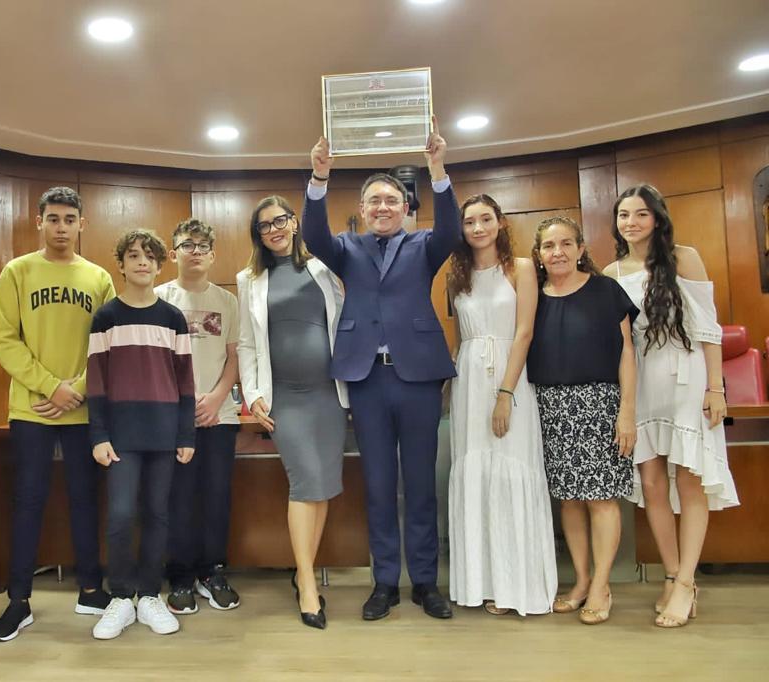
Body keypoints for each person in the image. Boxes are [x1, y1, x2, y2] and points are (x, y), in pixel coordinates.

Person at [303, 121, 459, 621]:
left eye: (392, 200)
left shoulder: (425, 244)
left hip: (418, 378)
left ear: (406, 207)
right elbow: (312, 235)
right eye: (375, 201)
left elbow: (452, 230)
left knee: (421, 483)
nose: (384, 207)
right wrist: (319, 178)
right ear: (363, 209)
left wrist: (437, 169)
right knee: (377, 483)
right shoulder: (347, 247)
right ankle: (385, 582)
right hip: (367, 378)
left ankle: (426, 582)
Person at [605, 184, 739, 628]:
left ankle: (686, 582)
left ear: (657, 218)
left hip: (685, 374)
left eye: (640, 214)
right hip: (641, 379)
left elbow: (709, 329)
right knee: (651, 482)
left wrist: (716, 388)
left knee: (689, 480)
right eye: (624, 215)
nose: (631, 223)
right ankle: (670, 573)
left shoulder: (684, 257)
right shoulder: (611, 271)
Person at [0, 186, 115, 642]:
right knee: (28, 500)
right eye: (54, 219)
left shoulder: (99, 278)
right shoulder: (17, 272)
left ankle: (91, 590)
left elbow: (107, 344)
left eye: (69, 219)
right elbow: (5, 340)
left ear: (82, 224)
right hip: (33, 408)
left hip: (83, 409)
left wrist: (75, 389)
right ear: (39, 221)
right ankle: (18, 600)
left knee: (85, 499)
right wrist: (51, 386)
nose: (61, 227)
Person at [236, 195, 347, 629]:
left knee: (322, 486)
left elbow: (343, 325)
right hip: (284, 397)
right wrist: (253, 394)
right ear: (258, 235)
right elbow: (247, 342)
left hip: (328, 395)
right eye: (264, 226)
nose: (274, 230)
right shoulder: (249, 279)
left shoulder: (323, 268)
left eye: (280, 220)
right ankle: (306, 584)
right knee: (304, 483)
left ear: (295, 222)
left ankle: (304, 573)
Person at [447, 194, 557, 616]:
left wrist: (506, 394)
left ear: (500, 223)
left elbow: (525, 332)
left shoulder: (522, 268)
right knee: (476, 473)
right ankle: (482, 583)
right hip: (468, 380)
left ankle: (518, 586)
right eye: (470, 221)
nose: (478, 228)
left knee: (510, 472)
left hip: (510, 376)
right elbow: (459, 337)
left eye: (485, 219)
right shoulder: (457, 276)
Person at [526, 216, 638, 625]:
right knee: (569, 499)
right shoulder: (532, 296)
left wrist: (627, 412)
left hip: (599, 404)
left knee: (601, 498)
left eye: (566, 244)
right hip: (550, 406)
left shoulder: (605, 290)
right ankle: (582, 580)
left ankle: (601, 586)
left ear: (580, 249)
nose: (557, 252)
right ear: (539, 254)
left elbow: (627, 353)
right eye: (549, 246)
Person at [87, 229, 196, 640]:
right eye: (133, 255)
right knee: (120, 515)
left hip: (165, 433)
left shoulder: (173, 318)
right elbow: (96, 381)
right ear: (121, 264)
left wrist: (186, 435)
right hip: (120, 435)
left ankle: (149, 595)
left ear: (159, 265)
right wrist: (99, 434)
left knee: (157, 513)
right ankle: (121, 597)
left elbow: (186, 382)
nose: (142, 262)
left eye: (150, 256)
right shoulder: (106, 317)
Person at [156, 218, 242, 614]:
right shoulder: (159, 298)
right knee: (179, 498)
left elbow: (234, 356)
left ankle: (212, 572)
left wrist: (218, 396)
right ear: (173, 253)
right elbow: (153, 362)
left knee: (216, 496)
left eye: (203, 246)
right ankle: (180, 577)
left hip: (219, 415)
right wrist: (184, 403)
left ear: (212, 255)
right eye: (187, 245)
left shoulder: (227, 301)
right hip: (174, 418)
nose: (195, 252)